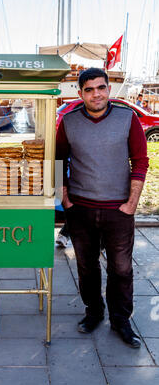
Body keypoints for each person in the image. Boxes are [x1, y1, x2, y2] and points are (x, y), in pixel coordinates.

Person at [56, 67, 149, 348]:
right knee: (86, 267)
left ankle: (121, 320)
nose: (96, 93)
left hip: (118, 209)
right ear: (80, 92)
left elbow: (140, 161)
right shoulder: (69, 122)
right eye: (89, 89)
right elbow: (58, 161)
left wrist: (131, 203)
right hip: (81, 208)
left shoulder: (127, 118)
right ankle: (94, 312)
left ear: (108, 89)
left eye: (101, 87)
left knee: (121, 269)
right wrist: (65, 199)